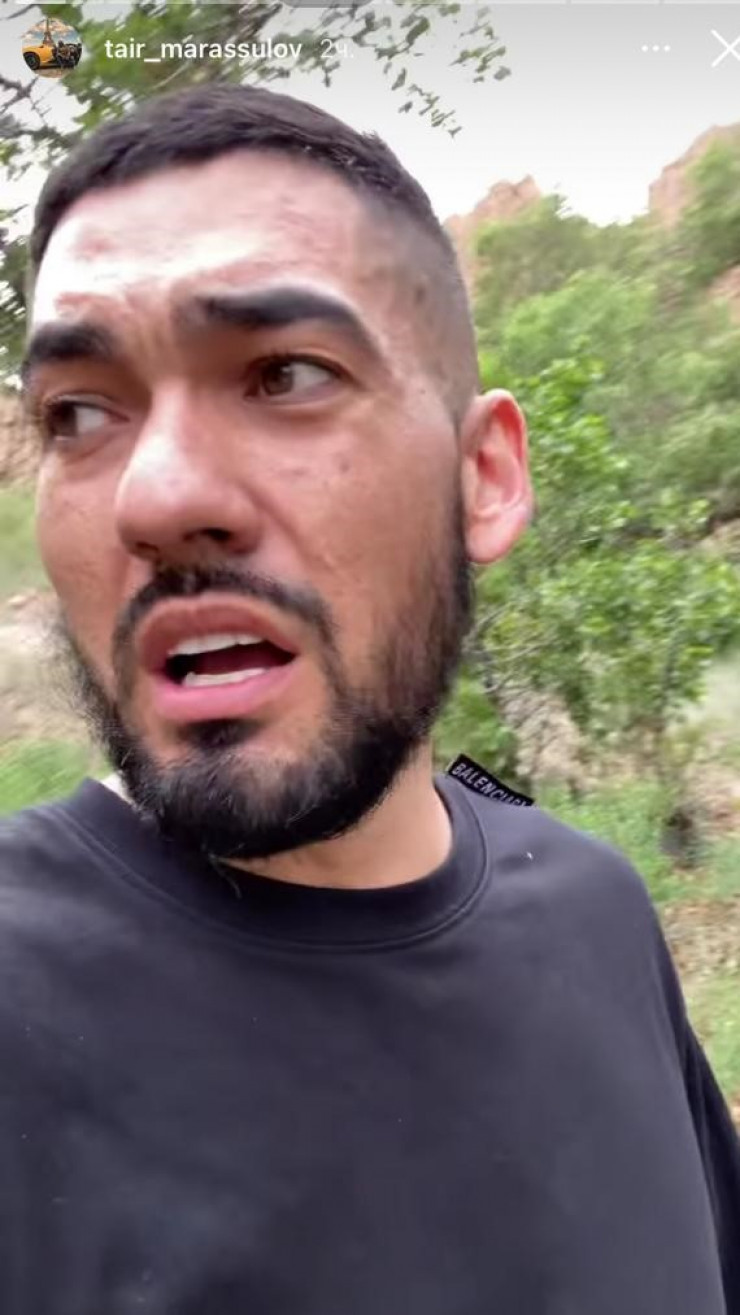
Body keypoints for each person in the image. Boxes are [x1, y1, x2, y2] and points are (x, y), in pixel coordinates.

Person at [3, 82, 739, 1314]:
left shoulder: (596, 916)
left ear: (482, 477)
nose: (156, 496)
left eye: (285, 373)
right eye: (79, 412)